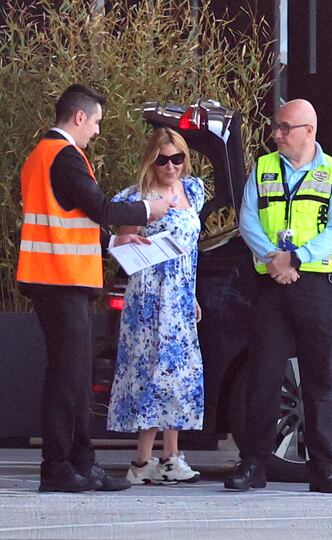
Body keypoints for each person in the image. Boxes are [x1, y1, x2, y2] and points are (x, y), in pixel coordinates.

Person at [16, 84, 174, 493]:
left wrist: (113, 242)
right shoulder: (65, 156)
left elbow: (70, 218)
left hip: (54, 276)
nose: (99, 132)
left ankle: (80, 464)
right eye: (98, 122)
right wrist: (146, 210)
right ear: (80, 117)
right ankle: (61, 468)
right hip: (61, 278)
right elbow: (101, 208)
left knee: (71, 376)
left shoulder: (43, 155)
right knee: (68, 380)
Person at [224, 99, 332, 494]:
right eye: (276, 127)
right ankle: (253, 464)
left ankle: (323, 468)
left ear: (308, 131)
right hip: (271, 283)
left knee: (318, 377)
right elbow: (247, 220)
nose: (276, 134)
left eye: (284, 128)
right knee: (264, 374)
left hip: (314, 284)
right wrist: (274, 259)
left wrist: (296, 257)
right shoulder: (263, 169)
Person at [107, 127, 204, 485]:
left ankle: (171, 456)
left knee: (179, 375)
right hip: (148, 293)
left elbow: (194, 249)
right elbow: (119, 242)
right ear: (152, 160)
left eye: (177, 158)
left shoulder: (193, 190)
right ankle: (141, 459)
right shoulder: (138, 197)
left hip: (179, 292)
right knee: (149, 372)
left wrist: (191, 293)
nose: (170, 166)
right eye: (163, 159)